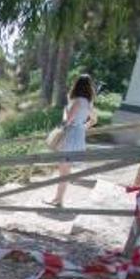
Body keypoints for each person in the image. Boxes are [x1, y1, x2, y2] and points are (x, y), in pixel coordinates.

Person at [46, 74, 98, 207]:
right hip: (78, 136)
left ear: (77, 85)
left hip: (70, 135)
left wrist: (65, 114)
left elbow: (68, 120)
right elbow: (94, 120)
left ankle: (58, 200)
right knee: (66, 170)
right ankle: (58, 199)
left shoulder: (77, 101)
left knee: (63, 170)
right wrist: (83, 127)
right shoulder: (88, 102)